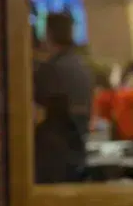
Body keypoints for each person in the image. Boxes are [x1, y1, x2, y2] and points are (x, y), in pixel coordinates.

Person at [33, 11, 93, 183]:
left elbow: (37, 112)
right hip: (77, 152)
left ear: (48, 34)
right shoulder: (83, 67)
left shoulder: (51, 70)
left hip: (52, 157)